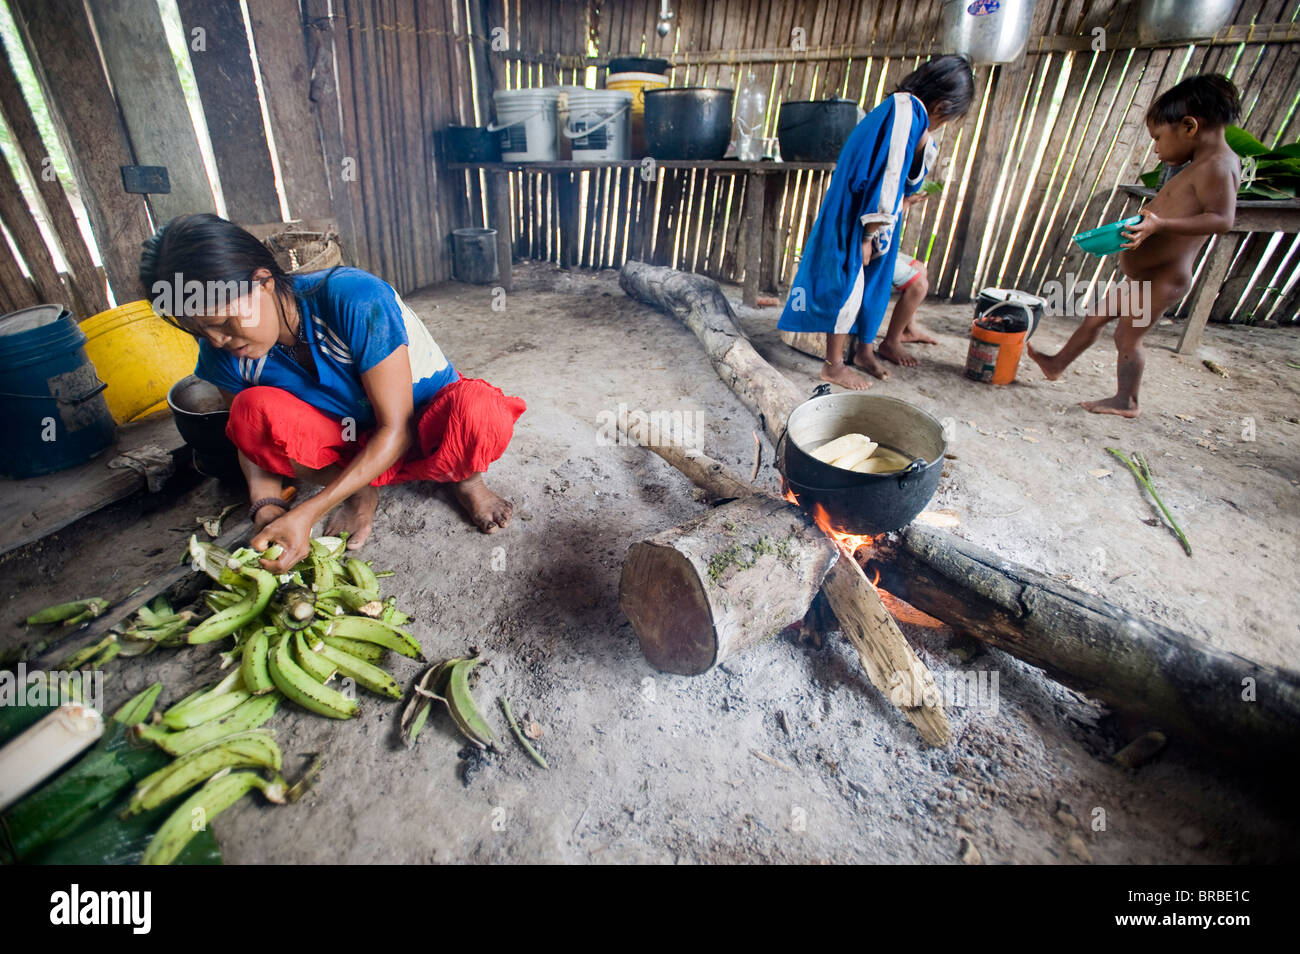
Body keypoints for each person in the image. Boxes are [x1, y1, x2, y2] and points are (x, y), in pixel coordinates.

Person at [140, 214, 526, 573]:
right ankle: (361, 491)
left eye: (223, 321)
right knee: (249, 410)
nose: (216, 339)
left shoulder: (353, 298)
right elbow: (251, 442)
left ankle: (467, 480)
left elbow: (398, 429)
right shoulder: (224, 353)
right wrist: (266, 505)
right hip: (352, 444)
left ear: (263, 281)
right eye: (198, 331)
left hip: (421, 429)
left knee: (478, 412)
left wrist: (309, 510)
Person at [1028, 74, 1241, 418]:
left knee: (1127, 338)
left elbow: (1222, 220)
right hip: (1144, 276)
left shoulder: (1218, 165)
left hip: (1164, 277)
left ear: (1189, 126)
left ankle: (1127, 401)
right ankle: (1056, 364)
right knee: (1096, 316)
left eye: (1158, 138)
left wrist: (1160, 222)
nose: (1156, 148)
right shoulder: (1198, 165)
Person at [777, 54, 975, 390]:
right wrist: (870, 234)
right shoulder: (905, 113)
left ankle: (864, 352)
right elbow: (888, 177)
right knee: (849, 283)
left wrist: (923, 147)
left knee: (875, 284)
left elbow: (905, 179)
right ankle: (833, 365)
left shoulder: (909, 117)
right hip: (860, 216)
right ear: (943, 106)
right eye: (951, 118)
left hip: (878, 217)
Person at [876, 195, 939, 368]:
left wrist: (906, 202)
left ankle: (908, 329)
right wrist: (906, 203)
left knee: (920, 269)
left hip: (880, 242)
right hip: (870, 243)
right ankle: (891, 342)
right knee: (918, 286)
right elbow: (883, 222)